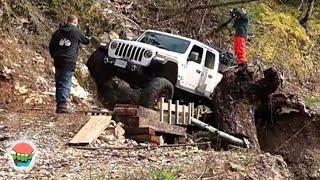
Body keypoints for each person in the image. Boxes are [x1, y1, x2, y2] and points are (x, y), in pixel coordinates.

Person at [49, 15, 91, 113]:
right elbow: (86, 41)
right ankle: (63, 106)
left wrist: (54, 56)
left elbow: (51, 46)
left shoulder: (58, 31)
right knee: (66, 82)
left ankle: (59, 105)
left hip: (58, 60)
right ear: (75, 22)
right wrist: (88, 33)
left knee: (59, 82)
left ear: (67, 21)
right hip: (69, 61)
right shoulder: (76, 31)